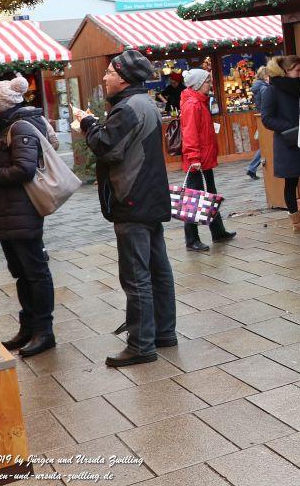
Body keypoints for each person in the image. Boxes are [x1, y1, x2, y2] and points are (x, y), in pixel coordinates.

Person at [77, 50, 176, 367]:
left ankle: (141, 345)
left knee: (136, 278)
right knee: (158, 272)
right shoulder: (143, 102)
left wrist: (88, 123)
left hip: (131, 199)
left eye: (108, 72)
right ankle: (164, 333)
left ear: (123, 76)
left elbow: (108, 148)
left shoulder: (129, 107)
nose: (104, 77)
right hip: (149, 198)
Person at [0, 76, 58, 358]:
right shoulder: (2, 127)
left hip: (23, 210)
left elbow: (23, 170)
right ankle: (28, 327)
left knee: (34, 271)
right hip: (7, 210)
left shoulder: (19, 127)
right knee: (21, 272)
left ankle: (44, 331)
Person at [260, 56, 300, 233]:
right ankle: (297, 222)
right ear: (286, 71)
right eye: (297, 70)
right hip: (288, 141)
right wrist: (291, 128)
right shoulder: (271, 91)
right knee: (291, 182)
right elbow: (267, 119)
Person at [179, 68, 235, 251]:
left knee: (210, 194)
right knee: (193, 199)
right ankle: (191, 239)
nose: (210, 84)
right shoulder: (193, 104)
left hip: (204, 159)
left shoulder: (199, 102)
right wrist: (194, 156)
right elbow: (190, 133)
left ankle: (217, 231)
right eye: (207, 82)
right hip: (197, 161)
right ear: (197, 84)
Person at [246, 66, 269, 180]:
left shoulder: (258, 86)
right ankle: (252, 167)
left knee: (265, 145)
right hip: (266, 117)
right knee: (266, 145)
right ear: (265, 76)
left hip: (262, 117)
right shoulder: (264, 87)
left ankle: (252, 168)